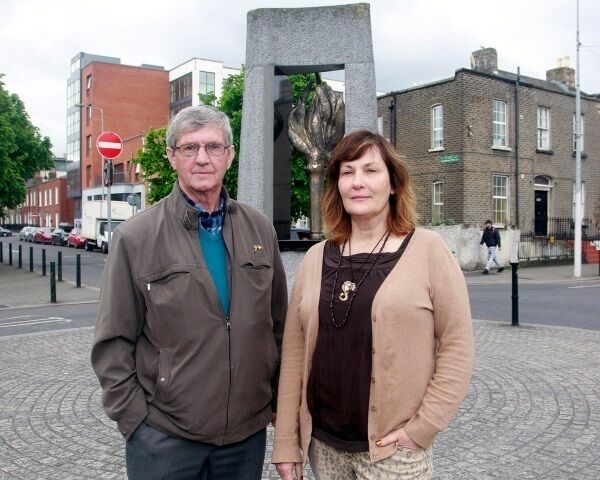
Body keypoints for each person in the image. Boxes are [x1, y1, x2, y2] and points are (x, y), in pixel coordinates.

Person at [91, 105, 287, 480]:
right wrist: (136, 420)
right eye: (189, 148)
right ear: (171, 157)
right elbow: (112, 341)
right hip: (165, 439)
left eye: (213, 147)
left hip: (244, 439)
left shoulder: (260, 230)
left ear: (229, 156)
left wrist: (276, 399)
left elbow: (278, 325)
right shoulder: (135, 237)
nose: (202, 158)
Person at [272, 130, 473, 480]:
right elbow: (294, 354)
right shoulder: (316, 258)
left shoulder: (428, 250)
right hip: (324, 447)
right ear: (336, 185)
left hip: (393, 453)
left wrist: (422, 428)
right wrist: (287, 442)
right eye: (347, 172)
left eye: (370, 170)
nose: (357, 182)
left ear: (393, 183)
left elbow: (457, 345)